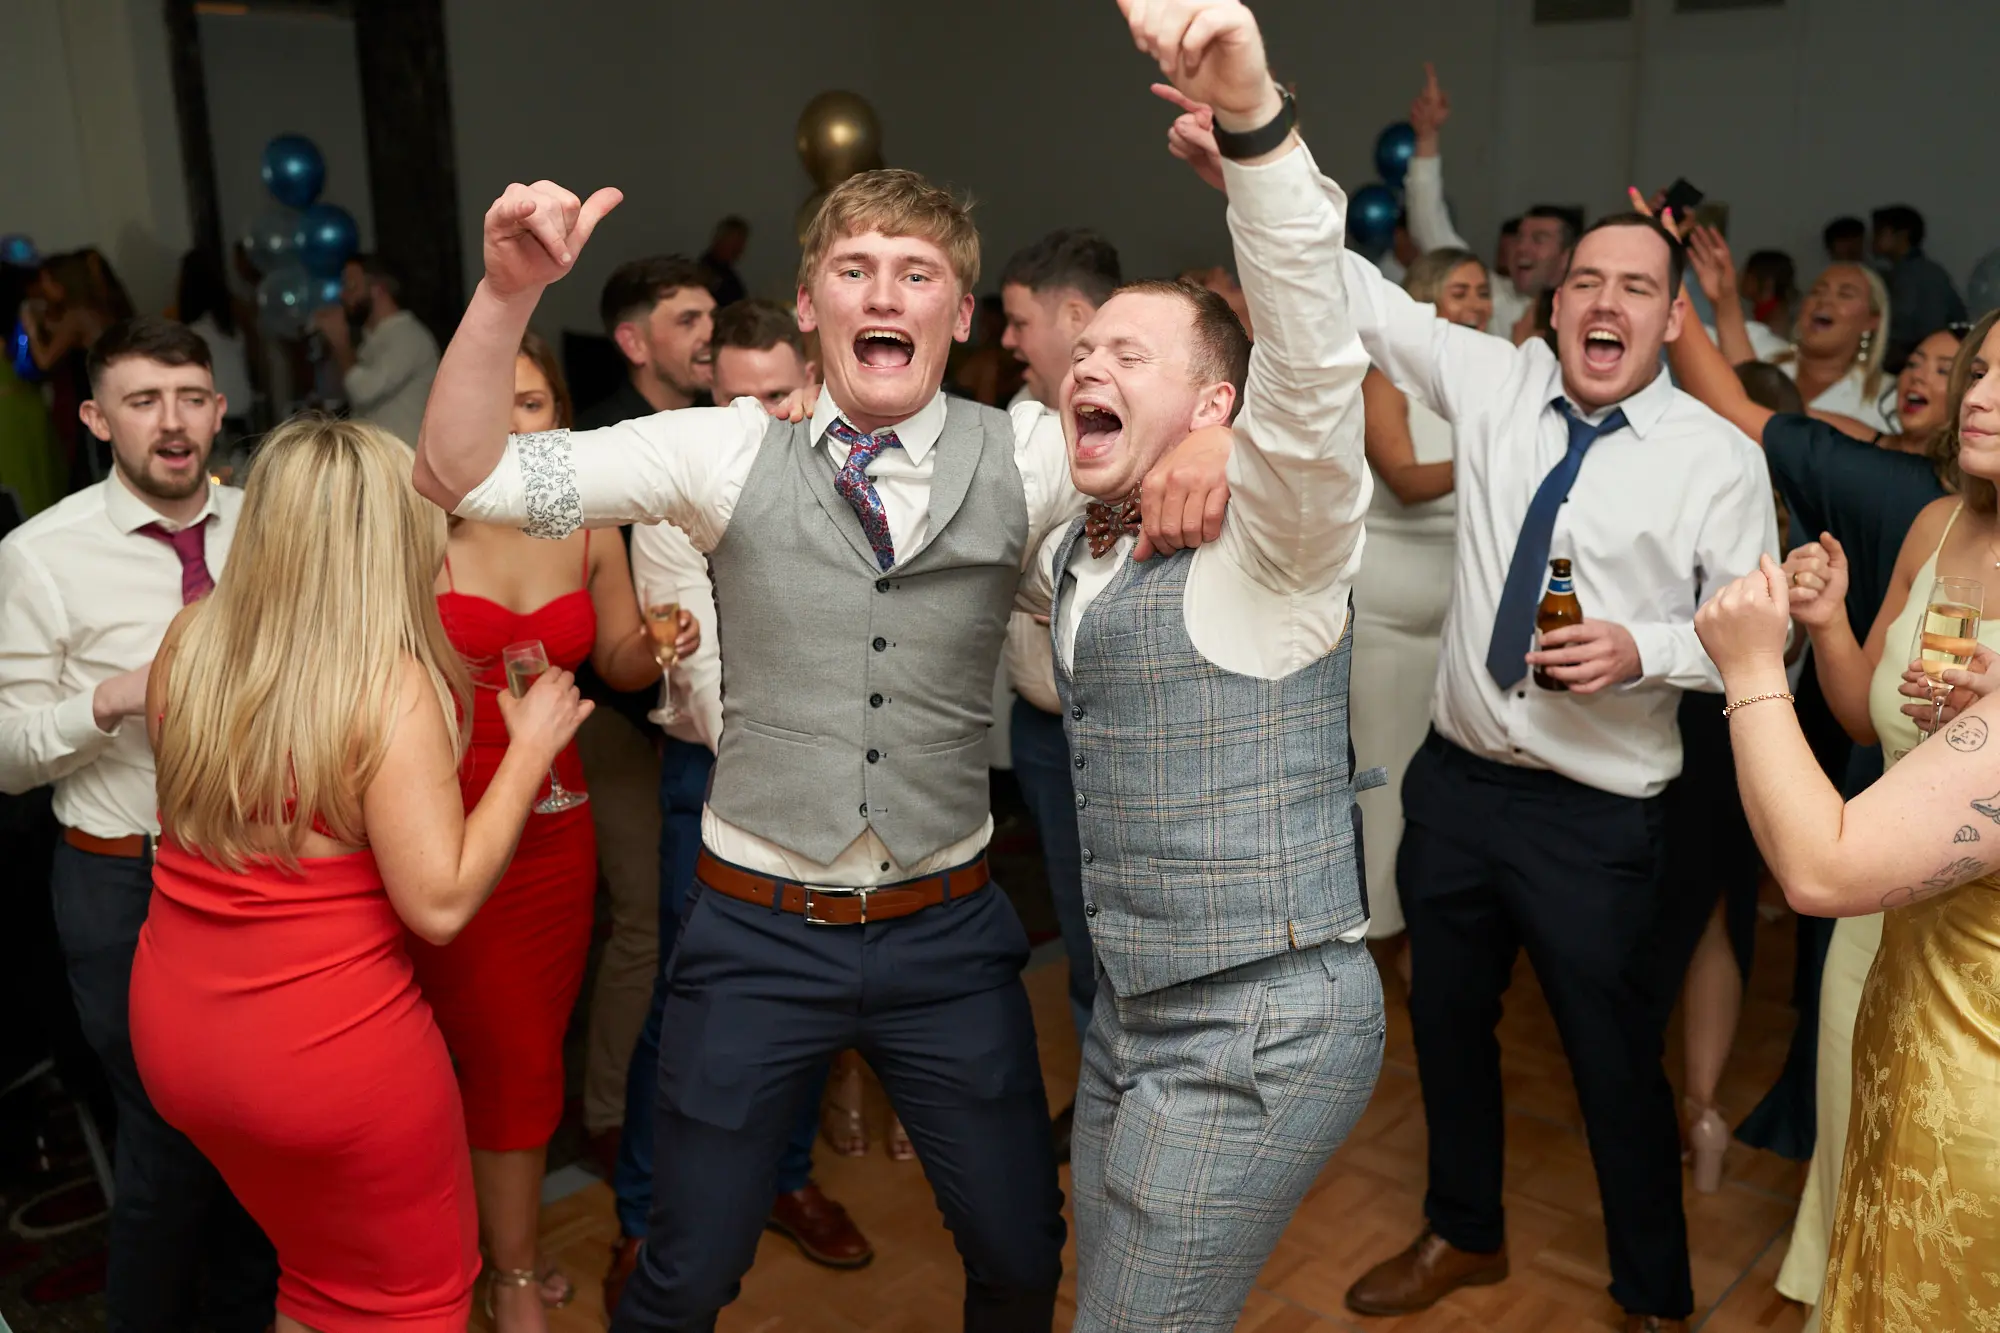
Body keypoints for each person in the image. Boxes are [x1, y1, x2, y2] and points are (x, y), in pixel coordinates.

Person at [413, 153, 1231, 1330]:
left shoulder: (1031, 451)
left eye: (917, 273)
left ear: (959, 312)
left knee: (1017, 1253)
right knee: (684, 1275)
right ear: (809, 305)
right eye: (854, 270)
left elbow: (1229, 427)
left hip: (945, 935)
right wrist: (506, 293)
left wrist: (1212, 444)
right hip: (755, 933)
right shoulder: (720, 450)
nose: (885, 292)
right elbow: (460, 470)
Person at [1166, 99, 1780, 1329]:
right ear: (1550, 304)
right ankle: (1464, 1231)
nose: (1604, 302)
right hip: (1453, 785)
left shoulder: (1716, 459)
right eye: (1583, 282)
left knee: (1611, 1060)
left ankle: (1652, 1296)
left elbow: (1755, 644)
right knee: (1443, 1023)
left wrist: (1646, 647)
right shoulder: (1495, 381)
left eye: (1635, 288)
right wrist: (1248, 172)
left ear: (1671, 317)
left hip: (1594, 818)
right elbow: (1352, 292)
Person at [1041, 9, 1383, 1324]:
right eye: (1084, 351)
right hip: (1129, 1011)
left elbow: (1313, 358)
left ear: (1213, 405)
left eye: (1128, 354)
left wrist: (1252, 120)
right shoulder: (1081, 536)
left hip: (1258, 1022)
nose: (1088, 364)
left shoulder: (1271, 540)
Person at [128, 413, 594, 1333]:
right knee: (411, 1300)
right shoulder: (388, 685)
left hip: (180, 1034)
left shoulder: (188, 643)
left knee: (314, 1276)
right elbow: (440, 901)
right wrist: (528, 749)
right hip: (324, 1053)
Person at [1693, 317, 2000, 1324]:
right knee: (1859, 1152)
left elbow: (1814, 871)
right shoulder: (1937, 526)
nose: (1976, 396)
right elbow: (1865, 712)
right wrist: (1826, 624)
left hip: (1961, 955)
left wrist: (1749, 665)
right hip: (1881, 922)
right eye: (1979, 372)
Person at [0, 316, 278, 1333]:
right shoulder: (40, 555)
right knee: (168, 1140)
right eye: (143, 401)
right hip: (126, 881)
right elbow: (7, 752)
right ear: (95, 417)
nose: (172, 423)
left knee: (258, 1127)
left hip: (263, 869)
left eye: (191, 398)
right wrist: (111, 698)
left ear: (218, 407)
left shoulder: (267, 526)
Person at [606, 298, 874, 1314]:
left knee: (815, 997)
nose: (761, 418)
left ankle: (785, 1178)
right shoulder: (675, 499)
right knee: (688, 1009)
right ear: (706, 399)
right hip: (712, 780)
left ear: (809, 383)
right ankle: (643, 1216)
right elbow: (711, 677)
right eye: (737, 400)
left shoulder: (856, 478)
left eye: (777, 394)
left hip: (835, 778)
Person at [410, 329, 679, 1330]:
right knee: (448, 1051)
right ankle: (469, 1261)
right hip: (437, 815)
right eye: (494, 405)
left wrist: (657, 642)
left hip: (555, 818)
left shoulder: (579, 513)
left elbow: (614, 660)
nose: (514, 424)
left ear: (559, 416)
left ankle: (509, 1265)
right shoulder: (419, 519)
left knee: (526, 1050)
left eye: (532, 405)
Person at [570, 254, 716, 1180]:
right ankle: (612, 1116)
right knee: (644, 921)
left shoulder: (724, 421)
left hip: (696, 705)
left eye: (712, 316)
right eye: (686, 319)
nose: (708, 333)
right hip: (616, 711)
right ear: (633, 341)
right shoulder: (604, 444)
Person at [996, 225, 1124, 1156]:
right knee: (1078, 933)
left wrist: (1040, 585)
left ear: (1074, 316)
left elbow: (1088, 575)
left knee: (1129, 931)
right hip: (1043, 729)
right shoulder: (1014, 421)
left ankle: (1141, 1107)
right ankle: (1101, 1100)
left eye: (1017, 320)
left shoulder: (1140, 424)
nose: (1006, 339)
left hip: (1120, 732)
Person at [1351, 247, 1489, 974]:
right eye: (1461, 291)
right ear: (1426, 300)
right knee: (1383, 785)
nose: (1479, 304)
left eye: (1484, 292)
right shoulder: (1385, 376)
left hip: (1461, 617)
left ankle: (1422, 932)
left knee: (1441, 791)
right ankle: (1371, 943)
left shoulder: (1486, 383)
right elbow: (1403, 478)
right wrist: (1498, 457)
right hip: (1386, 619)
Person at [1709, 246, 1897, 434]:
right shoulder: (1757, 343)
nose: (1824, 301)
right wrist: (1723, 299)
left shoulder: (1888, 398)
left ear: (1872, 320)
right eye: (1816, 291)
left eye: (1845, 295)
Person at [1401, 62, 1529, 338]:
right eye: (1460, 293)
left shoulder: (1559, 313)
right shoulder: (1497, 294)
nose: (1523, 249)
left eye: (1540, 240)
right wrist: (1427, 137)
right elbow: (1429, 225)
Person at [21, 249, 134, 490]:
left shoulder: (77, 316)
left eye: (47, 281)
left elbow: (44, 361)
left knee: (94, 475)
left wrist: (29, 327)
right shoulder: (98, 309)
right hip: (111, 402)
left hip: (91, 405)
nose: (43, 288)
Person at [312, 253, 441, 448]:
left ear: (377, 289)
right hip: (380, 459)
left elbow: (363, 391)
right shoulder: (370, 339)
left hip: (406, 460)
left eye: (351, 286)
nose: (343, 295)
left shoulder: (407, 336)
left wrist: (340, 342)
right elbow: (336, 395)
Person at [577, 255, 716, 428]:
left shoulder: (731, 422)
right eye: (687, 321)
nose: (713, 334)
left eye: (715, 318)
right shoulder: (591, 438)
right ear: (633, 343)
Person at [1872, 204, 1966, 372]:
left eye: (1879, 233)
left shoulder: (1923, 274)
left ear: (1901, 235)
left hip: (1925, 365)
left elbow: (1931, 330)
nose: (1872, 240)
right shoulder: (1895, 274)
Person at [701, 216, 751, 309]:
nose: (738, 249)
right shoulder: (703, 273)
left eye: (740, 244)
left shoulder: (730, 277)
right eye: (733, 243)